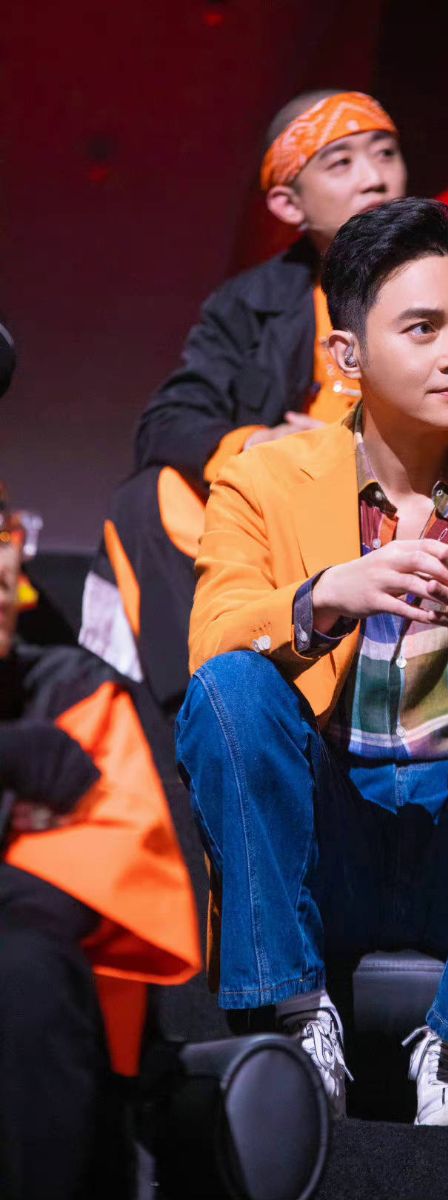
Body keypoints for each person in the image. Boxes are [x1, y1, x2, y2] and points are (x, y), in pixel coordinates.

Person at [175, 198, 448, 1128]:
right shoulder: (262, 479)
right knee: (235, 688)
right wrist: (322, 598)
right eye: (423, 329)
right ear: (348, 354)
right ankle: (292, 1026)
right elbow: (211, 651)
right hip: (331, 836)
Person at [81, 88, 448, 709]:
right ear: (288, 202)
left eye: (385, 153)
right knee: (152, 496)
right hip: (296, 520)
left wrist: (400, 442)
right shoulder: (248, 303)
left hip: (430, 504)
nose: (375, 177)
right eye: (341, 163)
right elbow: (169, 421)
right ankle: (206, 707)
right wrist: (266, 446)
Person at [0, 484, 201, 1200]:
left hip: (52, 1066)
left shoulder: (76, 693)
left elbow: (68, 898)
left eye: (4, 533)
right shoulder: (41, 739)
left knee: (22, 966)